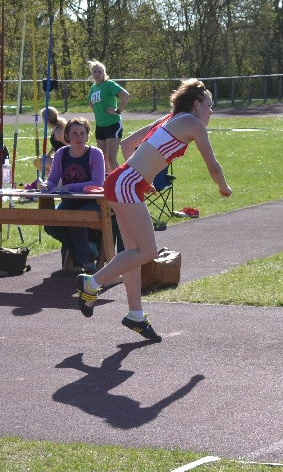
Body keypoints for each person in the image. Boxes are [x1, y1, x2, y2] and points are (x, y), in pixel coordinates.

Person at [75, 78, 231, 342]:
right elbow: (213, 166)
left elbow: (127, 145)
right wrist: (224, 187)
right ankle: (90, 283)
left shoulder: (169, 118)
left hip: (123, 182)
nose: (211, 111)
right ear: (196, 104)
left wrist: (141, 177)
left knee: (133, 253)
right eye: (209, 105)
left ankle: (135, 314)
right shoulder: (192, 124)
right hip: (126, 184)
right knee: (147, 252)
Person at [41, 117, 106, 272]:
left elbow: (97, 183)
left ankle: (86, 262)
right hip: (69, 202)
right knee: (50, 224)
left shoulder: (95, 154)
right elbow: (53, 179)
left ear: (87, 135)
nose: (79, 137)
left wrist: (69, 187)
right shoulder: (61, 153)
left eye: (82, 133)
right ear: (67, 136)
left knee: (75, 218)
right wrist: (47, 185)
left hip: (93, 203)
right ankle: (88, 249)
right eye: (75, 134)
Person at [86, 60, 130, 176]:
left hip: (112, 124)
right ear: (91, 73)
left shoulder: (109, 84)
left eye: (99, 72)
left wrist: (118, 111)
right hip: (100, 126)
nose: (97, 74)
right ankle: (106, 182)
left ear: (104, 73)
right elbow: (90, 102)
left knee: (111, 158)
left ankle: (119, 181)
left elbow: (125, 95)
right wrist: (98, 112)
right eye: (94, 72)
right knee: (102, 158)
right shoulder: (93, 88)